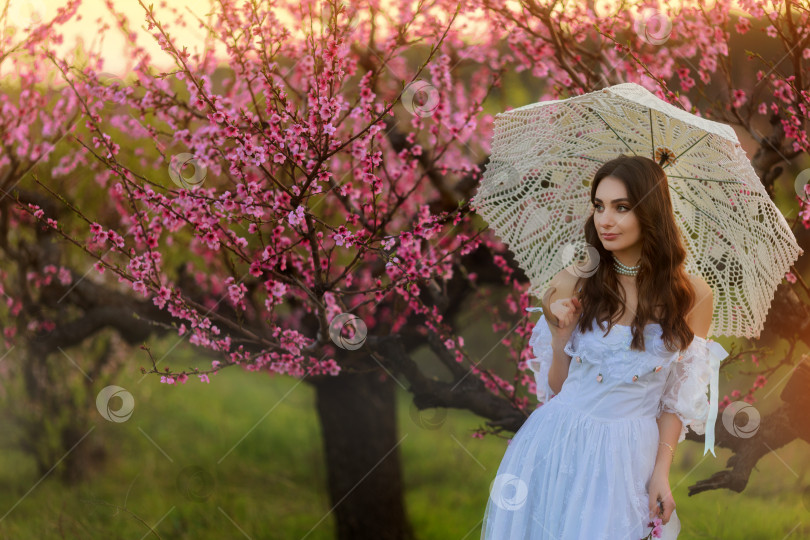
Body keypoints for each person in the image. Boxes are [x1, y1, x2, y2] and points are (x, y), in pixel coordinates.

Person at [480, 155, 728, 539]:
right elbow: (558, 388)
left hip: (629, 455)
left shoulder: (691, 295)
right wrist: (561, 336)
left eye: (621, 207)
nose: (605, 220)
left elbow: (676, 401)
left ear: (651, 212)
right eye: (599, 206)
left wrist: (661, 472)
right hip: (559, 442)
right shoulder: (575, 282)